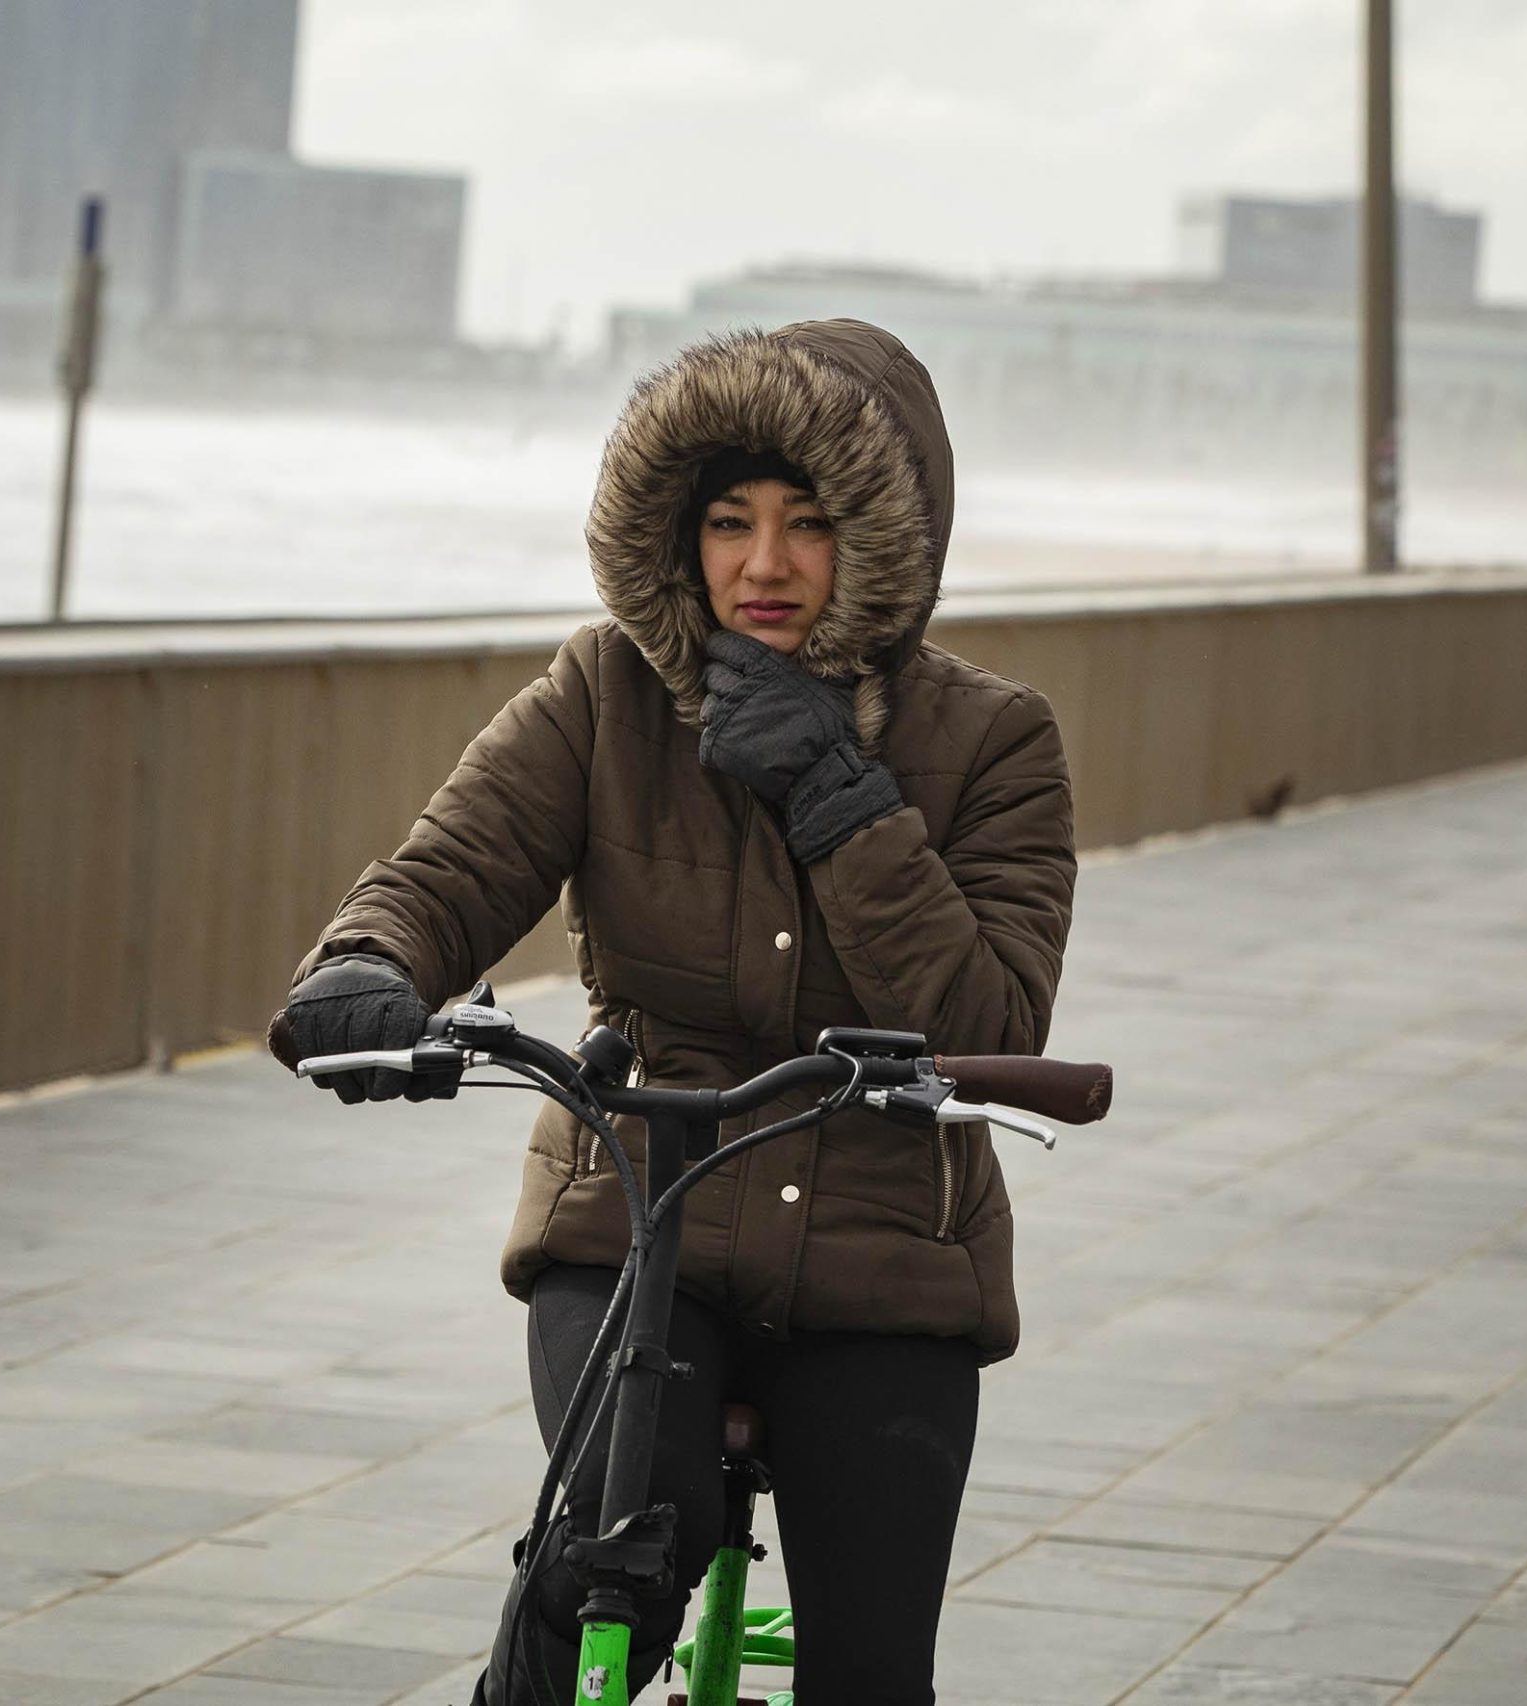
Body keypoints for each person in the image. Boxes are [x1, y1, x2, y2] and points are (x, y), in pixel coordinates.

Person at [272, 321, 1077, 1705]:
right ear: (677, 534)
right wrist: (368, 964)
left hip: (892, 1252)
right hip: (640, 1221)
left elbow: (990, 1014)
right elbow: (451, 866)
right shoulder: (607, 695)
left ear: (885, 539)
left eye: (810, 522)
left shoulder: (996, 741)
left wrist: (840, 795)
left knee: (872, 1670)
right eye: (728, 521)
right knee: (611, 1558)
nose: (763, 565)